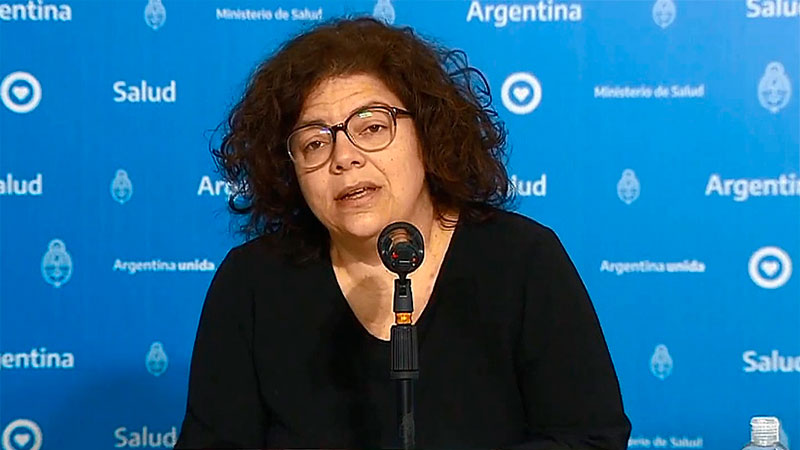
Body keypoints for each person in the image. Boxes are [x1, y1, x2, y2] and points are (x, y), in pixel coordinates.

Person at [175, 17, 631, 450]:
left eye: (372, 127)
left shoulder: (522, 259)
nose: (344, 157)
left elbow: (591, 437)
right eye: (315, 142)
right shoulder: (253, 282)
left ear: (427, 135)